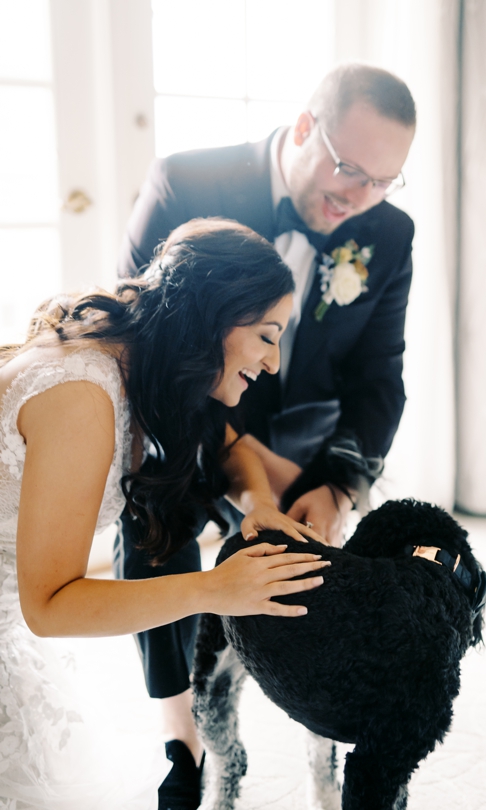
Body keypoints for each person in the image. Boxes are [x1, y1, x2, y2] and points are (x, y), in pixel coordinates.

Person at [115, 64, 417, 805]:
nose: (359, 199)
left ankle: (327, 743)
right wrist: (239, 466)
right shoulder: (186, 183)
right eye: (349, 171)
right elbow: (141, 351)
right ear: (307, 126)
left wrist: (338, 485)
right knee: (158, 515)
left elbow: (379, 379)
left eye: (384, 181)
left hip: (304, 438)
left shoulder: (386, 230)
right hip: (185, 422)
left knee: (325, 571)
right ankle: (181, 739)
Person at [0, 219, 328, 809]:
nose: (274, 363)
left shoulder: (139, 356)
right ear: (217, 318)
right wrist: (214, 589)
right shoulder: (82, 395)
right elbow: (48, 606)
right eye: (267, 335)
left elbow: (226, 443)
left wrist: (255, 503)